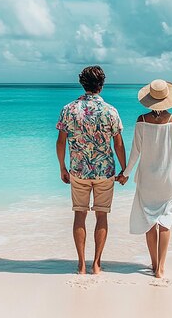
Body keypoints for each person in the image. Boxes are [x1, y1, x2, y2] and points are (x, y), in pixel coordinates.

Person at [55, 66, 126, 275]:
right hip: (105, 172)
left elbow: (60, 142)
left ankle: (81, 264)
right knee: (102, 216)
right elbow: (118, 145)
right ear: (101, 86)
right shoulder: (110, 111)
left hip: (78, 171)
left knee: (80, 214)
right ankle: (96, 263)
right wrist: (124, 169)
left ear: (82, 84)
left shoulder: (69, 109)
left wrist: (62, 167)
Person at [117, 79, 172, 279]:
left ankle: (153, 263)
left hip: (148, 179)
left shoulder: (142, 121)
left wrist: (125, 175)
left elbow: (135, 154)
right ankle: (161, 268)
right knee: (165, 221)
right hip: (170, 179)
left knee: (149, 220)